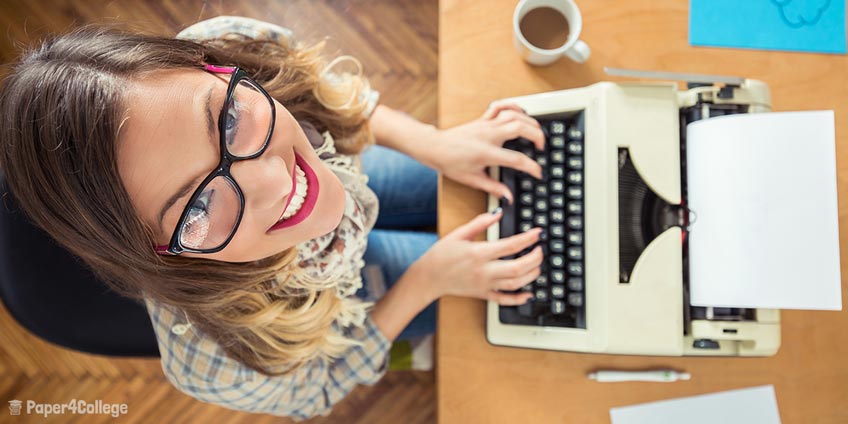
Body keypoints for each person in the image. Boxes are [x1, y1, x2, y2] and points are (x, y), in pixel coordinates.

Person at [0, 16, 545, 420]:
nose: (276, 182)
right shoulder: (210, 363)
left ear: (214, 66)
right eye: (197, 206)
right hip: (337, 303)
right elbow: (317, 390)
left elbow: (334, 97)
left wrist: (436, 143)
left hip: (349, 173)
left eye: (229, 117)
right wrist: (429, 280)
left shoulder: (231, 42)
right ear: (158, 255)